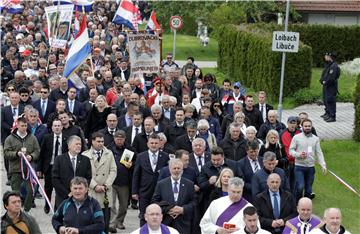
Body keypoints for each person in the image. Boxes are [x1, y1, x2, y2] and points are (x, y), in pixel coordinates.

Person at [82, 132, 117, 233]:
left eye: (102, 141)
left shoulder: (109, 153)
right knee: (91, 220)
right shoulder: (85, 155)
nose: (101, 143)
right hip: (92, 191)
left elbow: (113, 170)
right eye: (98, 141)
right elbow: (85, 174)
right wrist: (95, 185)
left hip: (105, 192)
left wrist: (106, 185)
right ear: (92, 142)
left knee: (105, 221)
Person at [4, 116, 40, 212]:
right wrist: (16, 154)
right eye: (22, 126)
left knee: (31, 190)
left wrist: (31, 156)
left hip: (29, 170)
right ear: (17, 126)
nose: (24, 128)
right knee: (15, 193)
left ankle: (26, 210)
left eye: (25, 125)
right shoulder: (10, 138)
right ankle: (16, 211)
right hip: (15, 170)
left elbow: (37, 151)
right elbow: (6, 153)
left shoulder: (32, 138)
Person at [132, 134, 170, 226]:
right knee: (144, 215)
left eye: (156, 143)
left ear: (160, 144)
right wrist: (134, 192)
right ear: (148, 144)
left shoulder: (165, 156)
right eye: (152, 143)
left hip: (160, 192)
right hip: (144, 191)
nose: (154, 145)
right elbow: (136, 174)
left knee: (159, 215)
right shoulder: (141, 156)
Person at [152, 159, 196, 234]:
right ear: (170, 169)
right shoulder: (161, 184)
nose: (176, 170)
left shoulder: (189, 184)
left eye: (179, 168)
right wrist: (168, 209)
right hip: (166, 222)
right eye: (174, 168)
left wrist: (183, 209)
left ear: (182, 170)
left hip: (183, 223)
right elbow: (155, 202)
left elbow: (194, 202)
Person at [289, 118, 327, 201]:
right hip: (299, 166)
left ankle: (306, 205)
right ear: (301, 127)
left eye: (309, 126)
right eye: (305, 126)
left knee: (308, 189)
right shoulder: (296, 137)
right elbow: (291, 150)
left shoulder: (315, 139)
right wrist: (298, 155)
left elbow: (319, 153)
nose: (307, 127)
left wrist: (323, 165)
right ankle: (297, 204)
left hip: (310, 168)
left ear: (311, 127)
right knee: (300, 186)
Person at [52, 135, 92, 208]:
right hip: (63, 197)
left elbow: (88, 177)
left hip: (80, 197)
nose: (79, 146)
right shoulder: (59, 159)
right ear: (69, 146)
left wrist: (80, 191)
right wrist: (68, 193)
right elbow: (55, 179)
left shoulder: (85, 160)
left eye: (80, 144)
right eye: (76, 144)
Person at [37, 119, 68, 214]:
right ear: (52, 127)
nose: (57, 127)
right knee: (48, 187)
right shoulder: (47, 138)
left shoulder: (66, 138)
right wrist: (39, 169)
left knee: (60, 187)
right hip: (49, 166)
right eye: (55, 126)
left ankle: (57, 207)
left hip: (62, 168)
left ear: (62, 127)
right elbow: (42, 154)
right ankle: (47, 204)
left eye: (59, 126)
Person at [108, 130, 137, 230]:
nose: (119, 141)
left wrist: (131, 165)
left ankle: (119, 221)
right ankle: (111, 224)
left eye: (121, 139)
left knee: (124, 205)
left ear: (124, 139)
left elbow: (137, 163)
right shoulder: (108, 149)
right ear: (114, 138)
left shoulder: (130, 149)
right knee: (111, 204)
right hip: (111, 181)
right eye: (117, 139)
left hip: (124, 181)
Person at [279, 116, 301, 195]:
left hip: (298, 162)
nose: (292, 125)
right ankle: (288, 197)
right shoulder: (282, 133)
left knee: (296, 183)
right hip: (287, 162)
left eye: (294, 123)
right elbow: (281, 147)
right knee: (287, 182)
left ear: (296, 124)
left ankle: (296, 199)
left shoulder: (300, 133)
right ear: (287, 123)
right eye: (290, 123)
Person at [320, 52, 340, 122]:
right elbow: (325, 74)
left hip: (331, 86)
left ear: (330, 57)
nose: (325, 57)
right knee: (326, 99)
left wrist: (325, 82)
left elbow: (331, 77)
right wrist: (322, 80)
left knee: (330, 100)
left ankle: (332, 116)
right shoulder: (328, 65)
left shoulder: (334, 66)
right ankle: (328, 113)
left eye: (326, 56)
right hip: (326, 85)